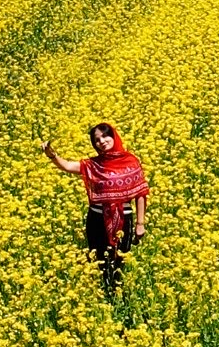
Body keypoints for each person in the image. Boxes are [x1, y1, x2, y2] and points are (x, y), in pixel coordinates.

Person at [43, 123, 150, 297]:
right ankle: (104, 297)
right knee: (99, 261)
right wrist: (53, 155)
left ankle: (117, 297)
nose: (102, 141)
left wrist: (140, 223)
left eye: (105, 136)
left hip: (124, 219)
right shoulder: (93, 165)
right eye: (97, 140)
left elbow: (140, 193)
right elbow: (68, 166)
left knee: (119, 262)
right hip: (96, 219)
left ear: (113, 136)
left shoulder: (130, 161)